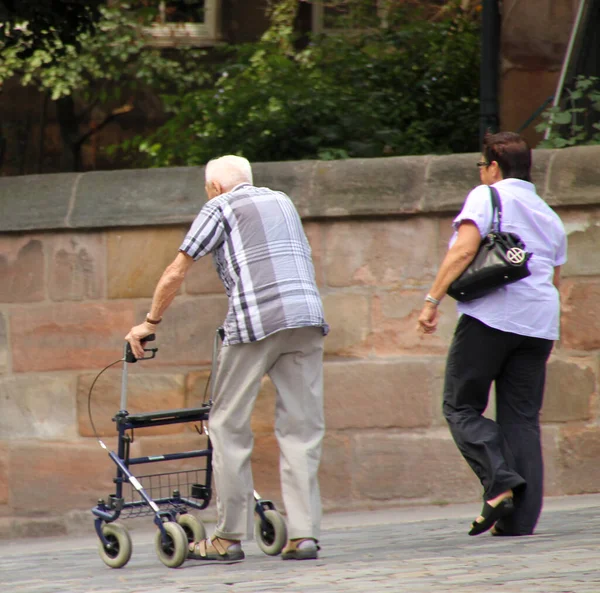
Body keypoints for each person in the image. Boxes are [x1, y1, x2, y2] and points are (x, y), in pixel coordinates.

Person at [125, 155, 328, 561]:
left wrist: (149, 322)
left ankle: (228, 537)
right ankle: (304, 535)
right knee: (302, 428)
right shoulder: (283, 200)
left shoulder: (219, 206)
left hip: (255, 322)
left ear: (215, 187)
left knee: (226, 425)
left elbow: (177, 270)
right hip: (306, 317)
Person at [417, 132, 567, 537]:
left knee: (460, 406)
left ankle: (499, 481)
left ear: (494, 167)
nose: (481, 174)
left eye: (482, 166)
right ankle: (519, 521)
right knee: (522, 420)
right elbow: (553, 278)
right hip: (539, 325)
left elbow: (464, 250)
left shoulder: (487, 196)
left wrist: (432, 300)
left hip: (492, 318)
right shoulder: (549, 215)